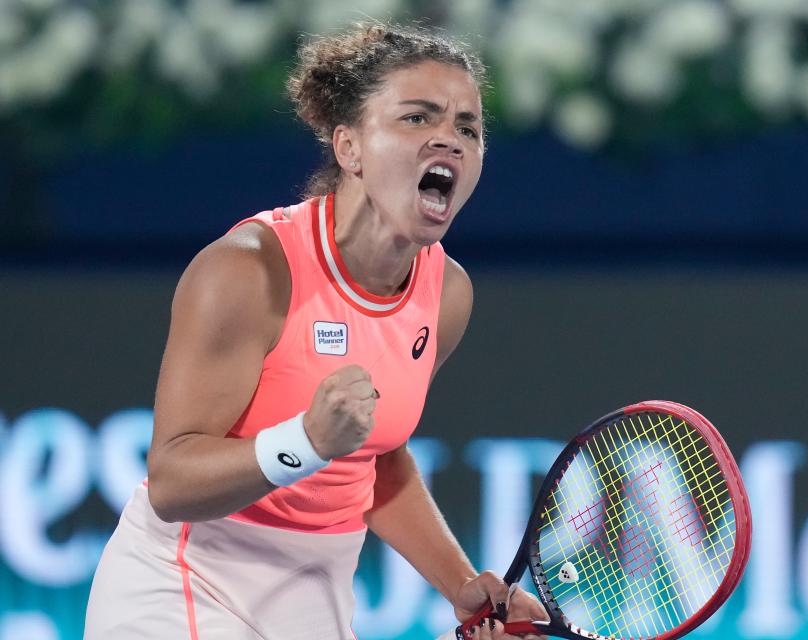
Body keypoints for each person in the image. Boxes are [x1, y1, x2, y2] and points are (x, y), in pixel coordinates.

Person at [84, 23, 547, 640]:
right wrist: (304, 440)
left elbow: (375, 459)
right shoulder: (248, 270)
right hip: (187, 580)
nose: (451, 140)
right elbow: (172, 483)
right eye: (418, 118)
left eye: (468, 127)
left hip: (314, 592)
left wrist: (461, 586)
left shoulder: (448, 294)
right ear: (349, 147)